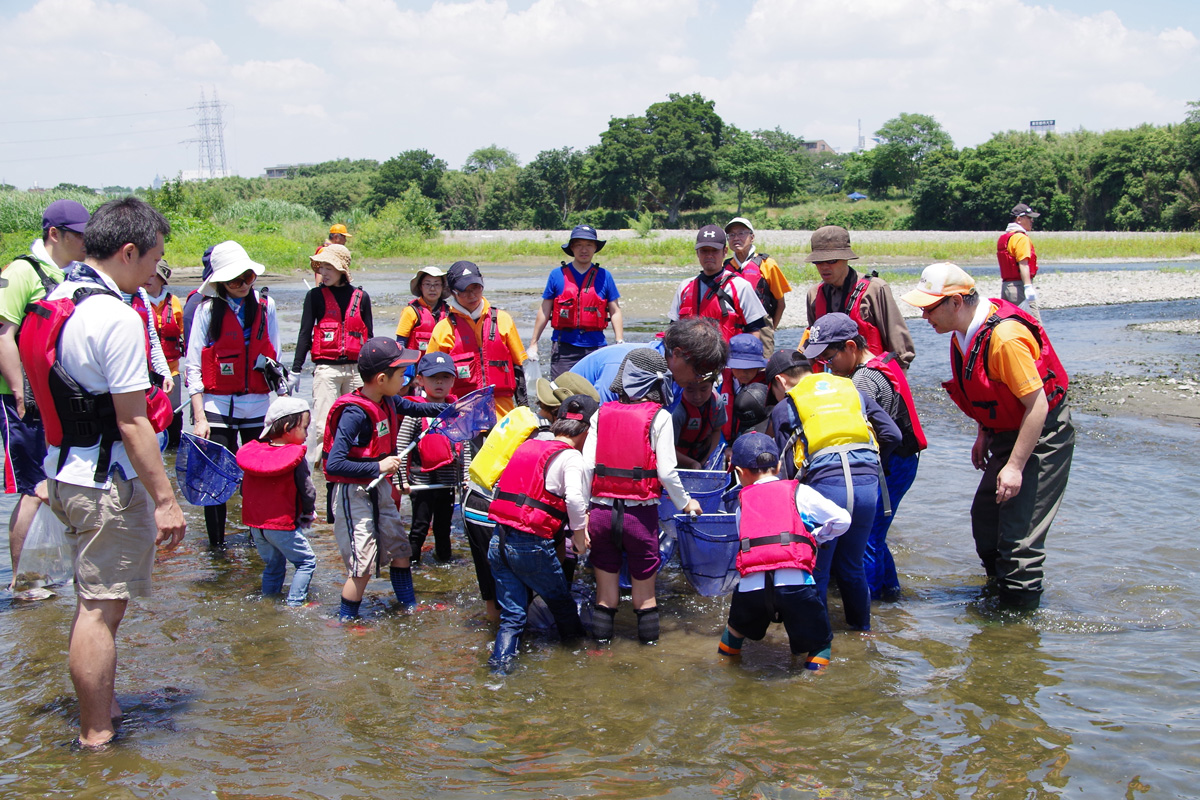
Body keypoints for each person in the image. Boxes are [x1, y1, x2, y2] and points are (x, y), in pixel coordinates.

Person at [22, 196, 185, 748]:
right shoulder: (114, 315)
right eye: (155, 260)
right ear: (129, 250)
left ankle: (105, 706)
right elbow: (133, 422)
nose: (155, 272)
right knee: (99, 609)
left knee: (90, 598)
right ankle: (96, 735)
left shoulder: (57, 297)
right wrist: (165, 499)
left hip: (62, 472)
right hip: (103, 483)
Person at [901, 262, 1074, 610]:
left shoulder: (1005, 339)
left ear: (956, 302)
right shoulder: (961, 335)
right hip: (1005, 431)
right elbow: (989, 391)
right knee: (986, 520)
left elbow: (1037, 406)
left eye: (928, 308)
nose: (923, 317)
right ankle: (999, 593)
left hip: (1041, 433)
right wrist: (984, 432)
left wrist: (1015, 466)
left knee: (1019, 540)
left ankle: (1015, 633)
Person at [581, 348, 702, 644]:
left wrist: (584, 512)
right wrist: (686, 503)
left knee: (605, 597)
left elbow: (586, 467)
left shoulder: (600, 413)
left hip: (600, 514)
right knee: (645, 598)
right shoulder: (659, 417)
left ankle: (600, 656)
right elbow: (667, 473)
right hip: (640, 516)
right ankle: (650, 659)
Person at [804, 313, 927, 602]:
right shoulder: (874, 366)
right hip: (903, 460)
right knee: (877, 533)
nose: (826, 366)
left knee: (867, 536)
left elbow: (879, 434)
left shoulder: (863, 381)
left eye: (829, 358)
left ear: (850, 347)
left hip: (892, 464)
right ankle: (891, 594)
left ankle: (870, 603)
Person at [322, 338, 446, 621]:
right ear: (381, 379)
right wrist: (377, 466)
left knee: (401, 550)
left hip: (379, 489)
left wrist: (448, 409)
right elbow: (334, 463)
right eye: (401, 373)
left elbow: (417, 408)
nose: (406, 378)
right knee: (362, 564)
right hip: (354, 493)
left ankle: (409, 607)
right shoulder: (354, 413)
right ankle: (347, 621)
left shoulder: (388, 399)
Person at [773, 360, 901, 632]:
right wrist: (874, 466)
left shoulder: (786, 405)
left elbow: (784, 470)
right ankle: (862, 635)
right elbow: (893, 434)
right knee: (853, 567)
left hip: (825, 487)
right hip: (867, 485)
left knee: (817, 570)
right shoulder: (853, 391)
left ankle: (819, 643)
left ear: (780, 382)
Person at [0, 199, 89, 576]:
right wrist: (20, 392)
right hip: (24, 400)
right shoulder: (22, 272)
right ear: (55, 234)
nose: (88, 241)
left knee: (55, 482)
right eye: (80, 235)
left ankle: (52, 570)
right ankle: (25, 579)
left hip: (58, 397)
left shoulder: (73, 274)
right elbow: (4, 334)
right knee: (33, 488)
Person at [717, 433, 850, 671]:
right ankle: (811, 687)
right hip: (796, 586)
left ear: (738, 471)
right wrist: (817, 537)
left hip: (752, 590)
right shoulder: (800, 492)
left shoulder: (741, 504)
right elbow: (842, 519)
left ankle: (724, 666)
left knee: (735, 631)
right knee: (820, 644)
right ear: (778, 466)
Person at [486, 394, 597, 673]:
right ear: (586, 432)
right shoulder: (571, 457)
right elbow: (573, 499)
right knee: (562, 604)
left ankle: (498, 672)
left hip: (498, 538)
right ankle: (577, 663)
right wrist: (579, 535)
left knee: (512, 616)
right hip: (530, 545)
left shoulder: (528, 445)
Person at [185, 240, 281, 548]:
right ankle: (217, 547)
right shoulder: (205, 310)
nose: (241, 285)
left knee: (257, 476)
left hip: (256, 406)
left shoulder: (268, 306)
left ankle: (259, 539)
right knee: (217, 479)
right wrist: (199, 417)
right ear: (220, 282)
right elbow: (193, 366)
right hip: (217, 406)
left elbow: (274, 354)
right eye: (234, 280)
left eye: (247, 277)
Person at [290, 244, 373, 467]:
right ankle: (322, 471)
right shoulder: (315, 297)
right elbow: (305, 333)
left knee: (360, 421)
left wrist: (373, 373)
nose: (323, 273)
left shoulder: (361, 297)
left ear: (342, 270)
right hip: (326, 370)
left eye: (329, 267)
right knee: (324, 424)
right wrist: (296, 370)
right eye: (321, 267)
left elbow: (370, 337)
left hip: (356, 370)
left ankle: (356, 466)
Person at [235, 397, 317, 606]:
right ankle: (296, 604)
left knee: (273, 565)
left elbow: (244, 491)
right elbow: (307, 491)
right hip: (281, 525)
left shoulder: (255, 455)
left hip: (256, 526)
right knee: (306, 562)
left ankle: (268, 603)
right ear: (289, 428)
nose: (307, 434)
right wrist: (308, 513)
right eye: (305, 428)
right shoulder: (295, 457)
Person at [426, 261, 527, 417]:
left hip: (503, 412)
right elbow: (430, 374)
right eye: (464, 291)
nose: (472, 295)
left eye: (476, 288)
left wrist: (524, 409)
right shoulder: (443, 329)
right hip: (462, 415)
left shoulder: (503, 320)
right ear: (453, 292)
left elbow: (518, 368)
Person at [805, 225, 915, 367]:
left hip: (871, 377)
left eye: (832, 261)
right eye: (818, 262)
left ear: (846, 259)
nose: (824, 267)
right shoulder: (813, 294)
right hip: (832, 380)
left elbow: (900, 347)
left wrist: (898, 381)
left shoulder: (875, 289)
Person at [528, 225, 623, 378]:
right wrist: (534, 342)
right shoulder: (557, 275)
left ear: (595, 248)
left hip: (596, 346)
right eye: (579, 245)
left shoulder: (605, 276)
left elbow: (615, 310)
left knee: (595, 395)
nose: (583, 250)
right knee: (561, 393)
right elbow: (545, 310)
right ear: (572, 248)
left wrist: (619, 341)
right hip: (564, 346)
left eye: (588, 245)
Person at [396, 352, 459, 565]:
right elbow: (401, 447)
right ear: (420, 380)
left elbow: (465, 445)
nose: (439, 382)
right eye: (433, 377)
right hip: (422, 482)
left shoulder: (455, 412)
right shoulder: (415, 412)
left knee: (443, 527)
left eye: (445, 377)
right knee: (420, 526)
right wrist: (400, 481)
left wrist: (466, 476)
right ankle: (412, 564)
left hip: (447, 481)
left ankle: (444, 563)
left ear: (453, 380)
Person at [669, 225, 768, 344]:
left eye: (714, 250)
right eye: (704, 251)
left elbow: (754, 331)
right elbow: (672, 329)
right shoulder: (685, 287)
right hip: (691, 359)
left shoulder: (741, 287)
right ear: (697, 253)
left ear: (725, 252)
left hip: (727, 359)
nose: (709, 255)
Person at [723, 217, 791, 353]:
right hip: (732, 327)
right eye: (732, 235)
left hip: (762, 326)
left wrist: (770, 329)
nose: (736, 238)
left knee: (762, 370)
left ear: (752, 237)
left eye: (741, 233)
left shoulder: (768, 264)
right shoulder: (725, 267)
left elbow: (780, 303)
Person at [143, 260, 185, 446]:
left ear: (162, 279)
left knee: (173, 413)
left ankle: (173, 454)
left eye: (154, 276)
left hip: (171, 369)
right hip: (147, 372)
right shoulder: (138, 300)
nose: (148, 279)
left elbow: (182, 332)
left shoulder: (174, 302)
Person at [395, 266, 450, 356]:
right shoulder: (411, 312)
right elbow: (401, 342)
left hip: (441, 365)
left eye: (436, 284)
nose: (432, 289)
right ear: (420, 287)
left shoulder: (449, 312)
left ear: (442, 287)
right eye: (427, 284)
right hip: (416, 366)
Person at [671, 378, 724, 470]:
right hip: (674, 462)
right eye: (690, 390)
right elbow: (666, 449)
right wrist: (691, 463)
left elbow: (716, 430)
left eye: (703, 389)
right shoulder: (676, 412)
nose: (697, 396)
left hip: (702, 456)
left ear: (712, 385)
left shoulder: (717, 402)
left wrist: (706, 458)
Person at [998, 203, 1041, 308]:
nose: (1032, 221)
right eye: (1029, 218)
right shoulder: (1021, 238)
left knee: (1011, 323)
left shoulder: (1005, 238)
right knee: (1032, 323)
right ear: (1019, 219)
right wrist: (1028, 286)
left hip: (1006, 287)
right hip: (1019, 287)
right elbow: (1023, 264)